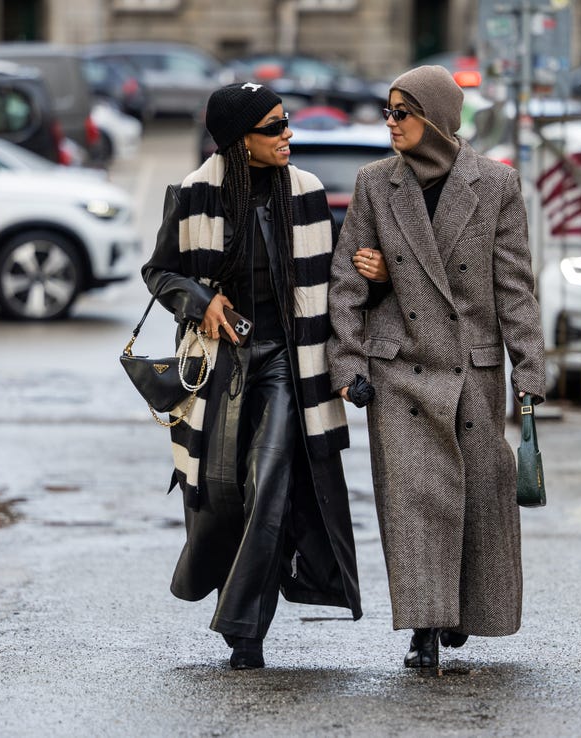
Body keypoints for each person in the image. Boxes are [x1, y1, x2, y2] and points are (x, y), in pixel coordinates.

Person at [326, 65, 546, 669]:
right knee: (413, 503)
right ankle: (424, 627)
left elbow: (513, 288)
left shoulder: (497, 186)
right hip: (397, 370)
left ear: (438, 118)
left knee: (478, 498)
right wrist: (346, 361)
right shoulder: (377, 184)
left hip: (471, 370)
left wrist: (530, 371)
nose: (391, 123)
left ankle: (462, 611)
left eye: (404, 112)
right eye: (388, 111)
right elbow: (345, 280)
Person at [141, 82, 361, 670]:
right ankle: (246, 625)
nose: (288, 134)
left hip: (289, 362)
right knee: (225, 497)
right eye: (274, 127)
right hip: (219, 368)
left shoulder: (307, 193)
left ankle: (242, 629)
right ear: (240, 140)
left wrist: (374, 280)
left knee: (270, 482)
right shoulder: (193, 195)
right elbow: (159, 271)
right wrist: (200, 300)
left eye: (286, 122)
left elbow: (335, 286)